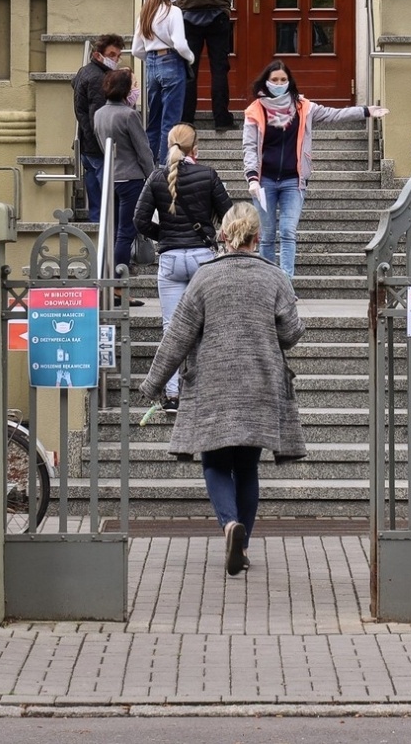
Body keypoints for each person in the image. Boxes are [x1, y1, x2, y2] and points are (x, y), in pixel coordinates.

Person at [139, 202, 305, 577]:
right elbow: (291, 334)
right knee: (247, 466)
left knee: (215, 462)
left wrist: (152, 384)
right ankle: (241, 547)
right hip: (260, 383)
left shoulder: (204, 278)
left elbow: (177, 337)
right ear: (258, 238)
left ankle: (229, 525)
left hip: (213, 385)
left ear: (223, 235)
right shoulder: (275, 277)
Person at [241, 61, 388, 278]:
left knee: (288, 232)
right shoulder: (255, 110)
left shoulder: (303, 107)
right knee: (267, 235)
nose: (279, 84)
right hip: (264, 181)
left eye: (283, 80)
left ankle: (286, 284)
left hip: (293, 181)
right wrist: (252, 178)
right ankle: (268, 282)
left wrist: (365, 111)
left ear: (289, 81)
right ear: (266, 82)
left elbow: (333, 115)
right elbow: (250, 146)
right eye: (275, 80)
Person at [134, 123, 233, 410]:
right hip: (203, 258)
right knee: (205, 325)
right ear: (195, 147)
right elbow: (229, 215)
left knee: (172, 327)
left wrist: (164, 236)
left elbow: (139, 220)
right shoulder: (208, 175)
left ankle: (172, 394)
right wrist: (213, 235)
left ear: (169, 145)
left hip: (171, 260)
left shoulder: (156, 177)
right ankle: (206, 391)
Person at [92, 66, 153, 304]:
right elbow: (143, 150)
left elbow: (102, 146)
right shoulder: (129, 115)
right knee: (125, 233)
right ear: (125, 90)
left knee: (112, 232)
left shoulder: (99, 114)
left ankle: (106, 283)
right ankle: (117, 287)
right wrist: (152, 176)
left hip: (110, 177)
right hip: (131, 178)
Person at [173, 0, 238, 133]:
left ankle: (186, 118)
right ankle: (221, 118)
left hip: (188, 18)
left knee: (189, 69)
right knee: (219, 68)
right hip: (218, 17)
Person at [131, 0, 194, 165]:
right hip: (172, 62)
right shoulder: (173, 11)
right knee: (170, 120)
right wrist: (190, 57)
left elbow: (136, 49)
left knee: (154, 120)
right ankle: (168, 165)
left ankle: (148, 166)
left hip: (151, 64)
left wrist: (152, 58)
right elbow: (180, 44)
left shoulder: (145, 13)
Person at [72, 34, 126, 222]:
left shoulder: (85, 72)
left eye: (118, 55)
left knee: (95, 196)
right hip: (98, 147)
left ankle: (97, 229)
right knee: (110, 197)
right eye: (111, 55)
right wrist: (106, 146)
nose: (116, 59)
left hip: (86, 145)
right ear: (97, 55)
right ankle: (110, 233)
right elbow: (99, 117)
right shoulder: (99, 79)